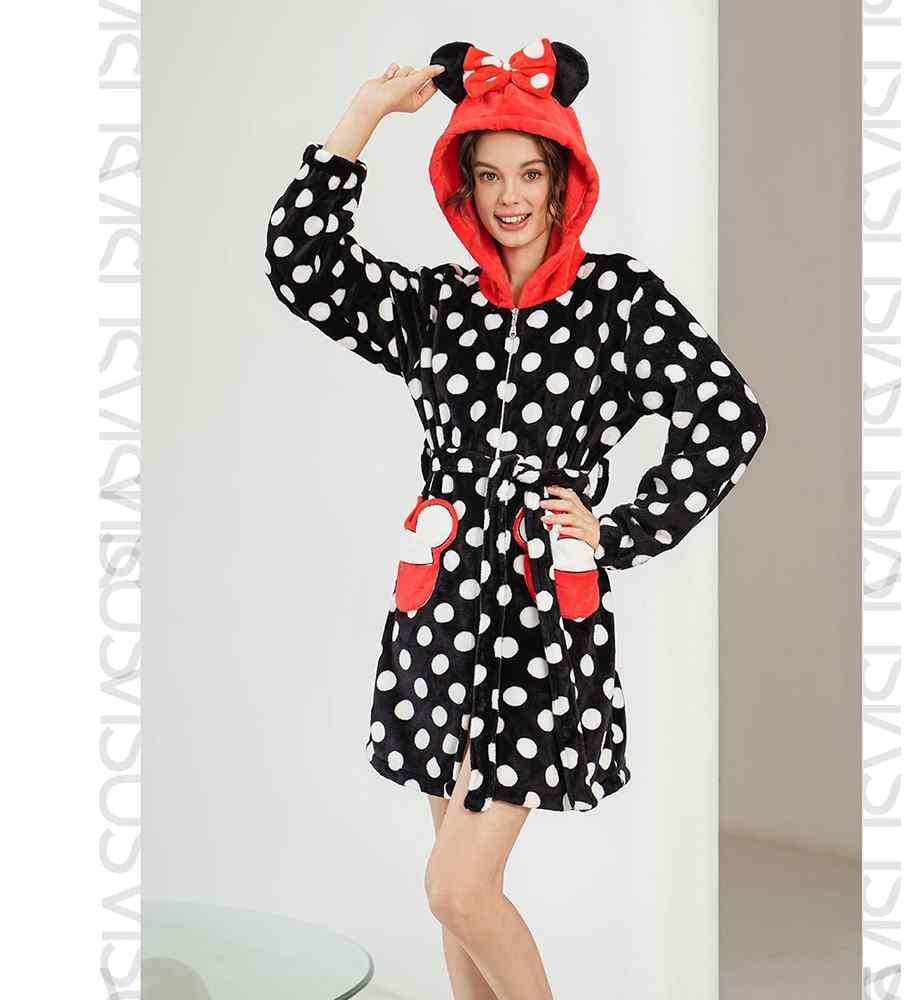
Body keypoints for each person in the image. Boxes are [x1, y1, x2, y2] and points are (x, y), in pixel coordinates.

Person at [264, 38, 768, 1000]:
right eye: (489, 174)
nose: (509, 197)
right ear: (462, 184)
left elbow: (729, 417)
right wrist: (363, 118)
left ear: (564, 178)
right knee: (455, 898)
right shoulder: (436, 306)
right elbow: (302, 265)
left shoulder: (619, 301)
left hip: (542, 615)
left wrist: (618, 530)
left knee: (457, 888)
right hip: (440, 607)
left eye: (529, 172)